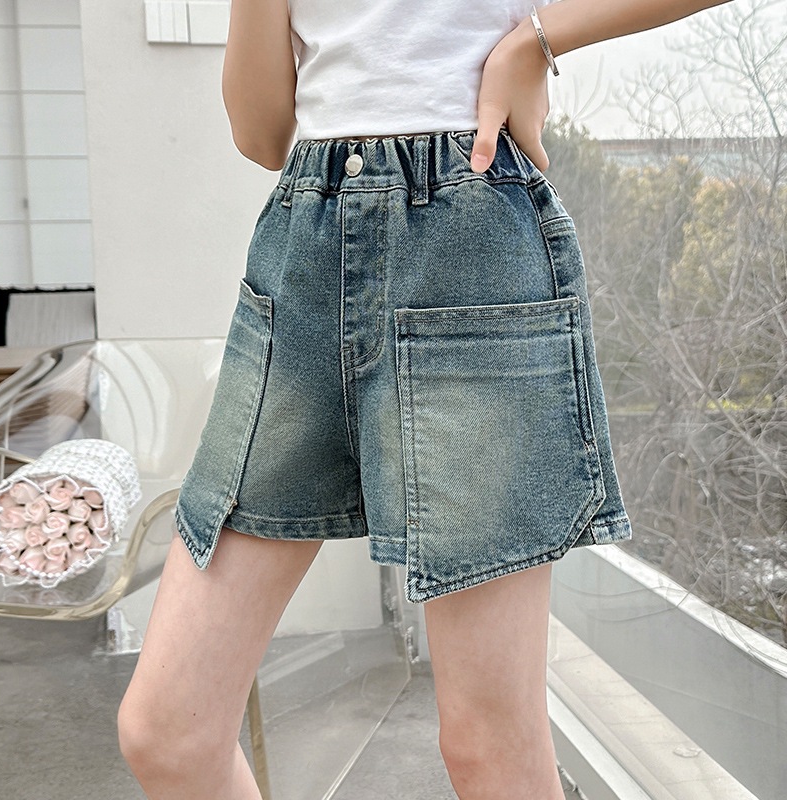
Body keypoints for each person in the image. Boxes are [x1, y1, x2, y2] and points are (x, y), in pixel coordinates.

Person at [117, 0, 732, 797]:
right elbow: (261, 131)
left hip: (464, 228)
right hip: (303, 245)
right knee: (167, 730)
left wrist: (538, 39)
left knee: (487, 745)